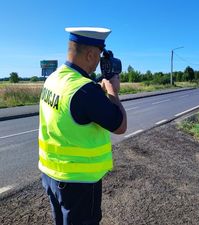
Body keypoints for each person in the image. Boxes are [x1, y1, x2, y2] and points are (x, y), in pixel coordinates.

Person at [38, 27, 127, 225]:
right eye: (98, 57)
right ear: (89, 54)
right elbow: (120, 125)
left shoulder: (53, 79)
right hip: (79, 182)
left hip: (51, 174)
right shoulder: (85, 90)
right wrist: (113, 92)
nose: (98, 63)